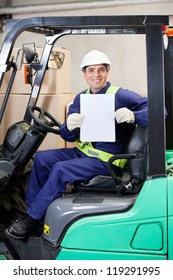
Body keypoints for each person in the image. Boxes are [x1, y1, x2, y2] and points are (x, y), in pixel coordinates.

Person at [5, 49, 148, 239]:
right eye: (91, 70)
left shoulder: (120, 95)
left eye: (100, 70)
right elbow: (69, 136)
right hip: (83, 153)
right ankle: (33, 212)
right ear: (84, 74)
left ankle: (31, 220)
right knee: (42, 158)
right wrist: (69, 127)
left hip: (107, 161)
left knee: (60, 169)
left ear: (107, 72)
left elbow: (159, 111)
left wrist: (134, 115)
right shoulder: (82, 98)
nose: (96, 75)